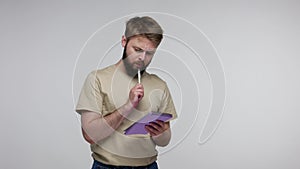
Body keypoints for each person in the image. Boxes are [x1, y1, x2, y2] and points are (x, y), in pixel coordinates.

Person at [76, 16, 177, 169]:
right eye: (137, 50)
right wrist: (128, 106)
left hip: (148, 166)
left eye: (149, 53)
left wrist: (160, 133)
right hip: (107, 166)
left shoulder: (159, 85)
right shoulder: (97, 79)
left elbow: (164, 141)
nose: (142, 58)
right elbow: (90, 136)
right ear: (124, 41)